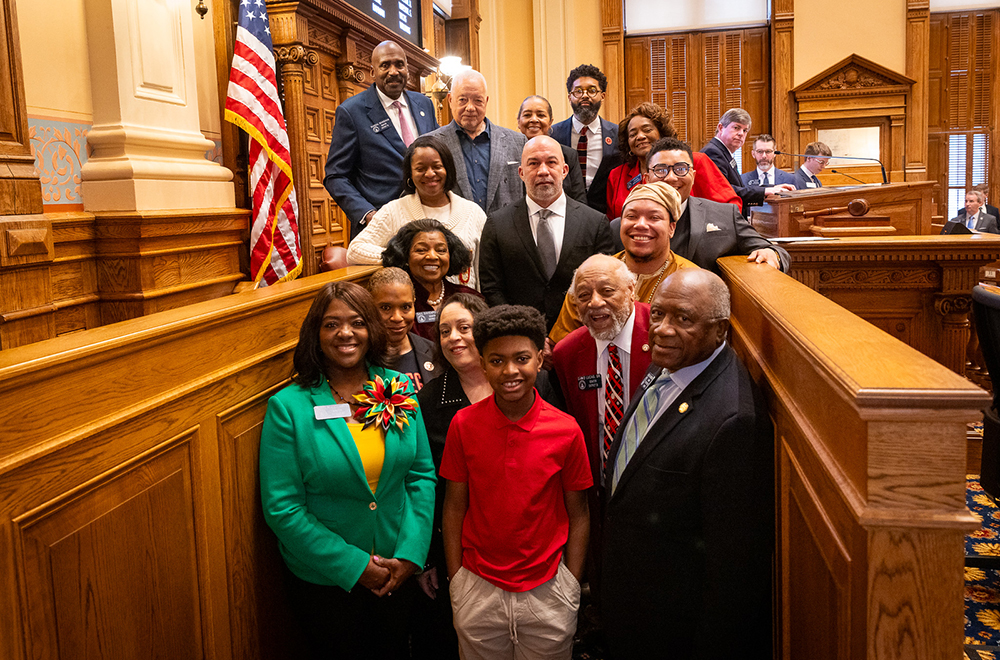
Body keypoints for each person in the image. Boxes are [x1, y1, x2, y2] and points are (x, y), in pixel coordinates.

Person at [601, 269, 774, 660]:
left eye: (683, 319)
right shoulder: (669, 364)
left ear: (720, 331)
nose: (662, 329)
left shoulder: (734, 421)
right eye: (658, 314)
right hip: (632, 605)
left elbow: (734, 569)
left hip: (673, 630)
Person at [259, 281, 436, 658]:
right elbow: (283, 509)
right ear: (315, 334)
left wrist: (409, 554)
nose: (345, 333)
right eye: (331, 324)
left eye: (356, 322)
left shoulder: (398, 387)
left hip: (397, 570)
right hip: (327, 582)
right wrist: (357, 567)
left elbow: (420, 476)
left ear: (371, 329)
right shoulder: (288, 407)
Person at [440, 304, 592, 660]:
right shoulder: (463, 425)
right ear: (482, 362)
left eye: (522, 358)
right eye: (496, 360)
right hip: (478, 586)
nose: (510, 371)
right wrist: (457, 581)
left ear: (540, 360)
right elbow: (454, 506)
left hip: (548, 588)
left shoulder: (566, 430)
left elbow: (579, 513)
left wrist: (570, 583)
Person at [551, 254, 653, 595]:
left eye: (606, 291)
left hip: (656, 490)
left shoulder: (661, 335)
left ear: (631, 289)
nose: (595, 303)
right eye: (583, 295)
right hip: (597, 495)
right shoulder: (567, 354)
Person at [412, 293, 491, 660]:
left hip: (525, 541)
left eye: (464, 328)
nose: (454, 338)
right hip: (456, 548)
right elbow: (422, 483)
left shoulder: (524, 381)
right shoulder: (429, 400)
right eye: (444, 331)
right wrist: (426, 557)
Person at [478, 136, 614, 332]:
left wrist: (564, 336)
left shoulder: (595, 223)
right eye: (533, 164)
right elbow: (492, 289)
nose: (543, 171)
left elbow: (604, 287)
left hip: (580, 338)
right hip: (519, 339)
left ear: (565, 170)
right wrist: (526, 334)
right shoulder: (497, 224)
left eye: (551, 162)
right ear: (521, 173)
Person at [548, 181, 697, 344]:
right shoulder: (594, 273)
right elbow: (563, 341)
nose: (640, 224)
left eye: (654, 217)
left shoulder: (691, 282)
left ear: (671, 228)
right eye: (631, 216)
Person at [324, 41, 438, 238]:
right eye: (385, 65)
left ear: (407, 69)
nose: (393, 71)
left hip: (427, 223)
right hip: (382, 228)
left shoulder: (424, 105)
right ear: (372, 71)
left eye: (399, 64)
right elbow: (335, 176)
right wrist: (367, 214)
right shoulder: (352, 112)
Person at [346, 135, 487, 289]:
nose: (430, 174)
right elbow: (355, 250)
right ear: (410, 175)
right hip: (413, 307)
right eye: (420, 169)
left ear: (448, 169)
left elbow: (485, 268)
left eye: (437, 166)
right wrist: (407, 256)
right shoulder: (393, 210)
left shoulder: (473, 212)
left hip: (464, 306)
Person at [641, 137, 790, 273]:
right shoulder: (625, 226)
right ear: (647, 178)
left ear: (693, 175)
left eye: (681, 169)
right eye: (660, 170)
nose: (671, 177)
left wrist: (771, 253)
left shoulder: (725, 216)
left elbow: (777, 252)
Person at [605, 102, 741, 220]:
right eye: (632, 134)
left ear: (662, 133)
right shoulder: (617, 176)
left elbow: (731, 207)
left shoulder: (696, 162)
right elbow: (613, 222)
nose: (640, 136)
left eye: (647, 130)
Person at [427, 69, 526, 214]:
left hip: (505, 232)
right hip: (453, 233)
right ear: (450, 100)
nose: (470, 107)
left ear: (486, 101)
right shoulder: (430, 144)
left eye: (477, 100)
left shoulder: (518, 142)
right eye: (462, 100)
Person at [382, 219, 481, 340]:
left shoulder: (469, 297)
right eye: (421, 250)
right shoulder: (395, 302)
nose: (432, 256)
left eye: (441, 250)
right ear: (404, 255)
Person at [549, 64, 621, 215]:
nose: (585, 95)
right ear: (570, 97)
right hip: (565, 214)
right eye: (578, 91)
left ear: (603, 95)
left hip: (606, 214)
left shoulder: (618, 134)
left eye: (592, 90)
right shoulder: (553, 134)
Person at [701, 108, 795, 213]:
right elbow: (723, 191)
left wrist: (773, 188)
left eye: (745, 130)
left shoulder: (722, 152)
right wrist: (766, 191)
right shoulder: (713, 152)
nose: (741, 133)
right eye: (736, 128)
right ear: (721, 128)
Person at [366, 267, 440, 389]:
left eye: (406, 307)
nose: (397, 318)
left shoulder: (435, 352)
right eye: (385, 308)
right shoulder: (361, 358)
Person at [517, 95, 587, 204]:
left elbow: (579, 201)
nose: (534, 119)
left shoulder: (568, 155)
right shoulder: (509, 154)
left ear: (550, 122)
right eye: (527, 115)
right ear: (518, 122)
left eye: (541, 115)